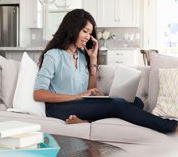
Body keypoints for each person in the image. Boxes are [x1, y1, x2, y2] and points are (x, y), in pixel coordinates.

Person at [33, 9, 178, 134]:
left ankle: (85, 120)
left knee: (136, 102)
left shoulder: (82, 56)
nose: (88, 37)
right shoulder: (54, 55)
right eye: (85, 31)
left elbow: (90, 90)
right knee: (118, 105)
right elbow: (38, 93)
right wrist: (77, 96)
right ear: (72, 29)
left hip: (80, 105)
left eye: (90, 33)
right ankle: (171, 126)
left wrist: (93, 60)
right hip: (58, 108)